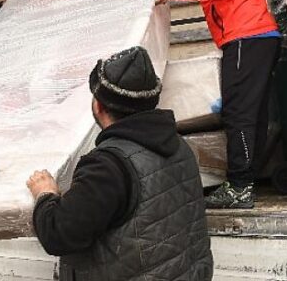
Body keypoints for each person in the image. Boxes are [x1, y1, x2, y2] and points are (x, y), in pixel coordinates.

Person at [26, 47, 213, 281]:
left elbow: (58, 235)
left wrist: (45, 194)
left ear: (98, 106)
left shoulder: (107, 167)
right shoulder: (179, 146)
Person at [149, 0, 281, 208]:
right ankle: (244, 183)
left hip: (247, 36)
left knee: (239, 114)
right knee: (249, 114)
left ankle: (240, 187)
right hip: (251, 36)